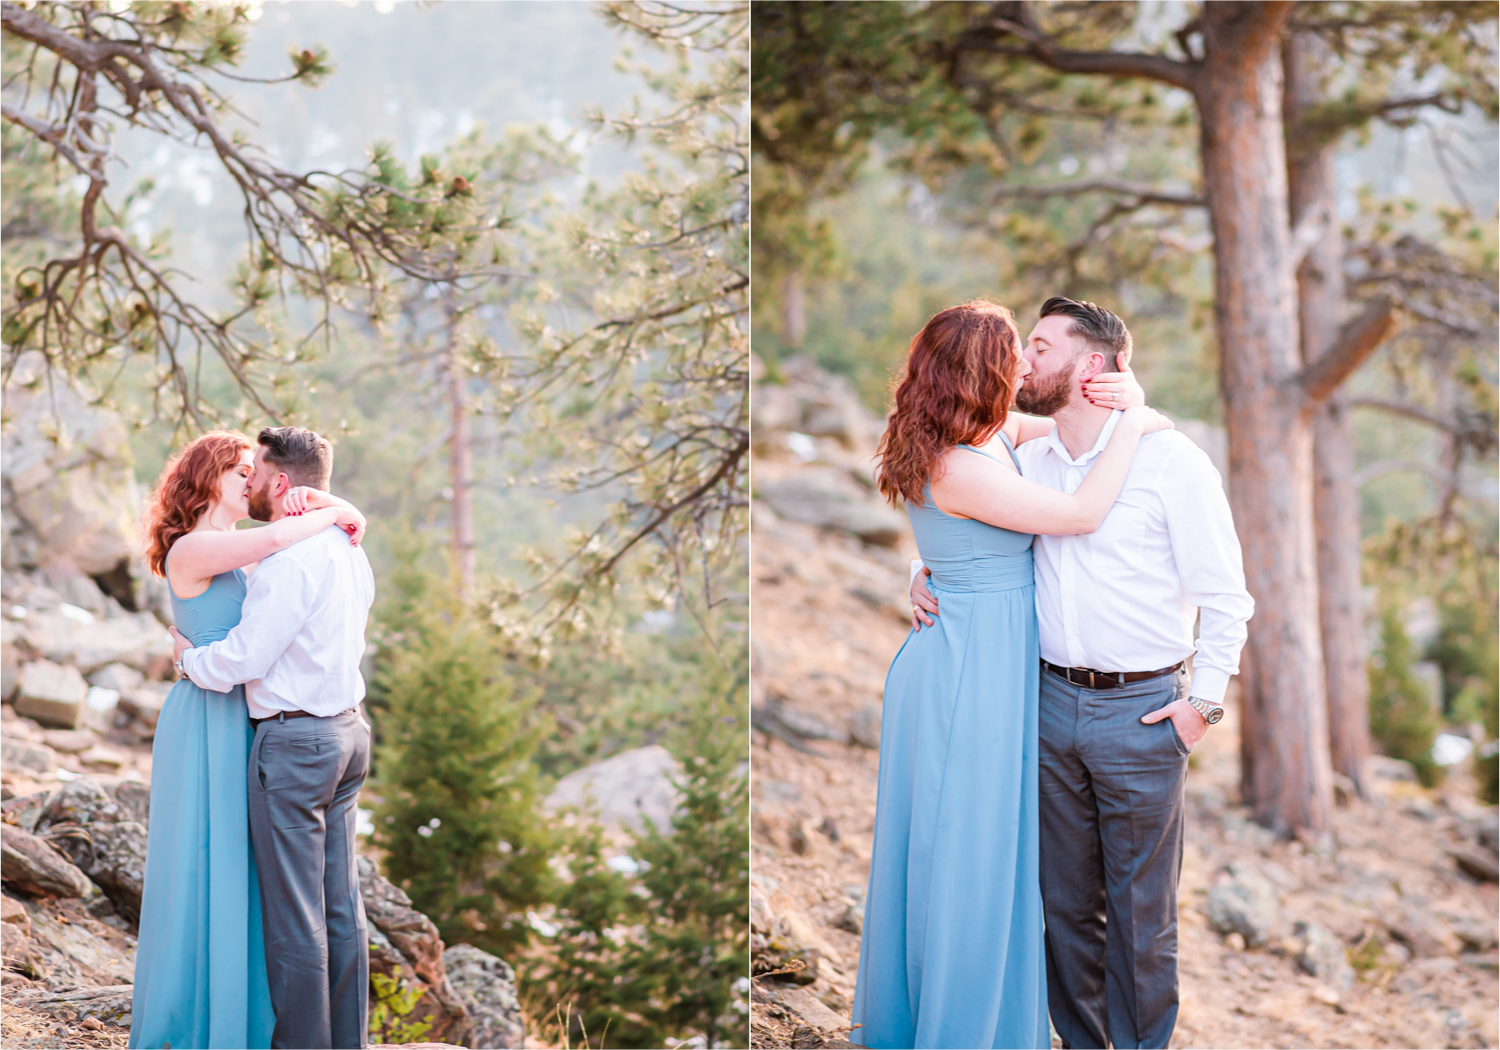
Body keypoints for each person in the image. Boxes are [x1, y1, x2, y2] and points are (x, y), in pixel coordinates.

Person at [911, 296, 1255, 1050]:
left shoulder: (1171, 462)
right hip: (1045, 703)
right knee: (1063, 908)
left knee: (1141, 918)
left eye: (1038, 346)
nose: (1021, 360)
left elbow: (1227, 596)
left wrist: (1205, 705)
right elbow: (962, 509)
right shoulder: (1025, 456)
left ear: (1090, 365)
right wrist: (922, 567)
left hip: (1142, 714)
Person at [850, 299, 1173, 1050]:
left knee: (985, 855)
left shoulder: (981, 435)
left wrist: (1121, 394)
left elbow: (1056, 423)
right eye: (1015, 351)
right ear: (983, 368)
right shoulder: (956, 463)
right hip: (964, 675)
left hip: (981, 660)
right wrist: (1136, 419)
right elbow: (1083, 512)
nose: (1027, 363)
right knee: (965, 855)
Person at [131, 429, 366, 1050]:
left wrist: (338, 510)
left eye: (253, 469)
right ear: (207, 478)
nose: (249, 479)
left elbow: (280, 564)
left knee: (249, 880)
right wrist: (337, 510)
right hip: (208, 717)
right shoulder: (194, 549)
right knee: (204, 868)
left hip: (253, 723)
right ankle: (201, 1016)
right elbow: (282, 538)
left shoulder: (249, 550)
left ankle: (247, 1018)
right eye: (237, 470)